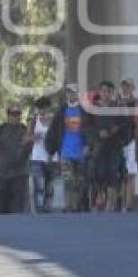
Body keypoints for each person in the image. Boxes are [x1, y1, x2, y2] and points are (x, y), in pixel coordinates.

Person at [47, 84, 90, 212]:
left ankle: (77, 204)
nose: (72, 95)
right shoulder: (61, 111)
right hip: (65, 151)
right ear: (67, 95)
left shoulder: (84, 111)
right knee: (67, 180)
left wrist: (88, 145)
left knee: (80, 181)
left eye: (74, 92)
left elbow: (90, 130)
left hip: (80, 151)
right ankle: (68, 204)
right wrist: (51, 150)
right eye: (69, 92)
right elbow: (53, 131)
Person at [0, 104, 34, 214]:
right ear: (8, 115)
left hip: (20, 173)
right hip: (4, 173)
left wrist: (27, 143)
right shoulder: (0, 129)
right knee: (3, 204)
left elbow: (29, 150)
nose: (16, 117)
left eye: (18, 114)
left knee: (18, 205)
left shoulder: (24, 130)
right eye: (13, 114)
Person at [90, 81, 125, 212]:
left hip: (115, 145)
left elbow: (124, 123)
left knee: (113, 171)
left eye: (108, 91)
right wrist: (97, 133)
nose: (106, 94)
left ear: (112, 93)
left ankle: (111, 202)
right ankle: (100, 195)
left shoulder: (117, 108)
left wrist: (114, 130)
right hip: (99, 145)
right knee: (99, 172)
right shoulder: (93, 108)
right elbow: (88, 126)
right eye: (103, 91)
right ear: (100, 92)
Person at [117, 77, 138, 212]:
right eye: (124, 85)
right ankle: (120, 202)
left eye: (128, 86)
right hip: (118, 142)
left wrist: (136, 142)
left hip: (130, 141)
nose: (125, 88)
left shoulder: (136, 103)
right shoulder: (117, 102)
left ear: (132, 88)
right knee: (119, 173)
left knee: (130, 174)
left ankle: (129, 204)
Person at [29, 97, 56, 213]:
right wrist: (34, 136)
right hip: (37, 157)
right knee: (39, 184)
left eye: (44, 108)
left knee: (50, 184)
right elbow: (26, 138)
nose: (42, 111)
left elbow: (59, 136)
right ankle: (39, 208)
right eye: (40, 109)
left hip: (51, 157)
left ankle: (48, 207)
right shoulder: (34, 121)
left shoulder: (54, 121)